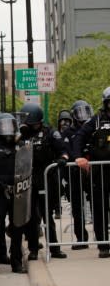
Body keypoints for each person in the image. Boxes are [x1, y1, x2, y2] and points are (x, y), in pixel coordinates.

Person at [18, 103, 68, 260]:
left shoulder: (50, 133)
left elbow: (63, 150)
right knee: (32, 217)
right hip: (28, 180)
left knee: (48, 215)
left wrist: (63, 158)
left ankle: (54, 248)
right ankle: (33, 249)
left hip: (47, 179)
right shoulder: (22, 135)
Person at [0, 113, 26, 275]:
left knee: (17, 229)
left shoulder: (21, 145)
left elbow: (26, 166)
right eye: (4, 127)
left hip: (17, 192)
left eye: (11, 127)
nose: (8, 131)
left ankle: (16, 263)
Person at [73, 87, 110, 259]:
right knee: (100, 208)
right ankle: (103, 245)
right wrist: (78, 157)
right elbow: (79, 137)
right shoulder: (95, 121)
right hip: (100, 173)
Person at [63, 101, 93, 249]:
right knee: (77, 207)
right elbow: (67, 150)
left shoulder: (92, 128)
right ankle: (81, 238)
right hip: (74, 173)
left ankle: (102, 237)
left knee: (97, 204)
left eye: (86, 112)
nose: (83, 116)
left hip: (91, 172)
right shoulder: (68, 132)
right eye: (80, 113)